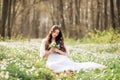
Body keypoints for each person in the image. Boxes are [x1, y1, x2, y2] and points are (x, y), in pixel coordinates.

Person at [40, 25, 106, 73]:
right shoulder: (45, 41)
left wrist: (57, 50)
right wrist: (51, 49)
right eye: (54, 32)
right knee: (52, 66)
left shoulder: (59, 41)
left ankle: (67, 72)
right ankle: (65, 72)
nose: (55, 34)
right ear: (51, 31)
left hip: (61, 57)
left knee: (71, 65)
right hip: (52, 59)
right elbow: (43, 56)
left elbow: (65, 54)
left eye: (57, 33)